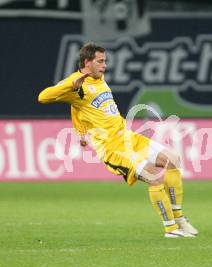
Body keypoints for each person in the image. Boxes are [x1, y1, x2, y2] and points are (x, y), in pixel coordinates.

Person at [38, 42, 198, 238]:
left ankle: (180, 218)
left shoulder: (98, 79)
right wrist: (71, 85)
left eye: (105, 61)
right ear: (87, 62)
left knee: (173, 159)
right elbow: (43, 97)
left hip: (128, 138)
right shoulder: (75, 82)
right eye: (100, 61)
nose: (104, 65)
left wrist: (80, 131)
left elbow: (76, 106)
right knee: (155, 178)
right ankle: (171, 230)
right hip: (113, 149)